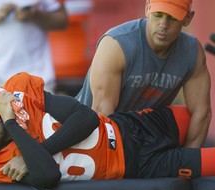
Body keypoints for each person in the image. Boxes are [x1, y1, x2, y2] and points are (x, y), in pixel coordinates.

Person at [0, 72, 214, 190]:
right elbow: (47, 175)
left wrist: (34, 150)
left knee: (199, 112)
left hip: (132, 127)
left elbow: (87, 118)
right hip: (136, 166)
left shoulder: (16, 93)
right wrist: (12, 124)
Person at [76, 0, 212, 149]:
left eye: (173, 18)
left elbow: (201, 112)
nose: (163, 25)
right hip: (89, 136)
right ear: (147, 8)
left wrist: (187, 163)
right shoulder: (117, 44)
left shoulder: (192, 52)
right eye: (158, 15)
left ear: (188, 18)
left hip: (143, 138)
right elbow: (102, 114)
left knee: (184, 118)